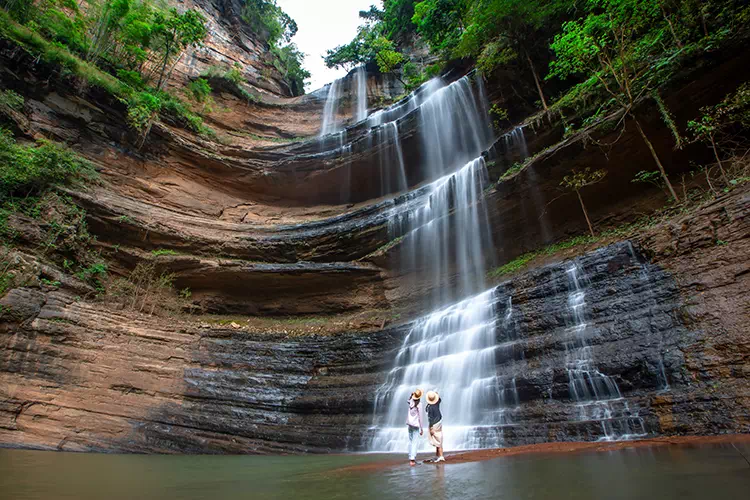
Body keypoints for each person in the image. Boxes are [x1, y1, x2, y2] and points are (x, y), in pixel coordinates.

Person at [406, 388, 423, 466]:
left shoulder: (411, 402)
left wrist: (411, 395)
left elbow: (408, 400)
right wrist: (421, 428)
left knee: (410, 440)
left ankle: (410, 456)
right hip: (416, 425)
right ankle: (412, 459)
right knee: (415, 442)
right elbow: (420, 417)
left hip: (409, 424)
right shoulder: (419, 404)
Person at [426, 390, 444, 462]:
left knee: (437, 439)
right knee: (438, 438)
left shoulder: (430, 407)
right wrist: (437, 395)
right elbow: (439, 400)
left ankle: (441, 456)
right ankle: (438, 455)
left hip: (434, 423)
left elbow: (430, 418)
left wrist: (431, 428)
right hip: (439, 421)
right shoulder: (437, 403)